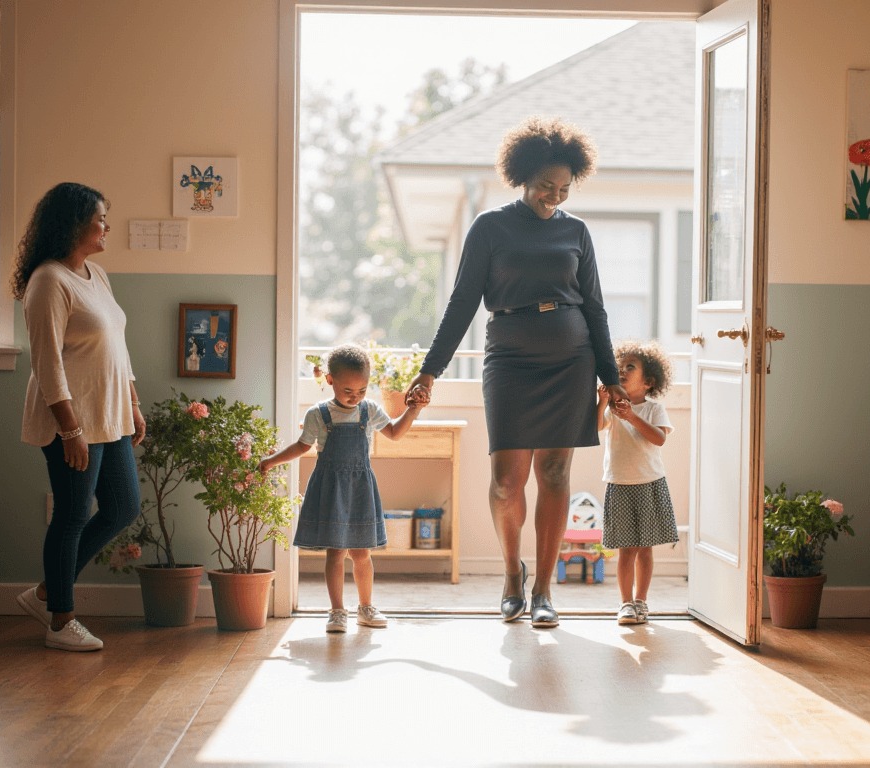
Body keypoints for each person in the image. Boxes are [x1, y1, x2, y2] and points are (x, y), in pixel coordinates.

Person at [407, 116, 629, 628]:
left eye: (564, 189)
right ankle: (513, 574)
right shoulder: (490, 227)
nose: (555, 197)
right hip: (508, 359)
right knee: (508, 482)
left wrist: (611, 377)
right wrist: (430, 371)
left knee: (554, 474)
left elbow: (594, 308)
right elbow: (463, 302)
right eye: (546, 186)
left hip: (571, 360)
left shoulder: (577, 232)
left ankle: (546, 591)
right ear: (521, 177)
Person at [13, 183, 144, 652]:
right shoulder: (48, 280)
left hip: (110, 415)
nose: (106, 226)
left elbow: (117, 345)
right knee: (71, 516)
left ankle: (49, 591)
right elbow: (46, 364)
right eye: (100, 219)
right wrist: (69, 430)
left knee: (123, 507)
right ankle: (60, 620)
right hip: (72, 420)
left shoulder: (96, 274)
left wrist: (132, 400)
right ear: (74, 224)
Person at [258, 344, 427, 632]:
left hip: (360, 488)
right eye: (348, 391)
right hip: (331, 489)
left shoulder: (369, 410)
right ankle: (337, 611)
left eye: (362, 391)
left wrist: (414, 409)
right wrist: (271, 462)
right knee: (335, 553)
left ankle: (366, 607)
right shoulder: (318, 414)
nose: (355, 397)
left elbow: (396, 433)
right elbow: (302, 446)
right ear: (330, 381)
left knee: (362, 553)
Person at [597, 340, 677, 626]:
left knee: (645, 549)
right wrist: (603, 402)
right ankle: (625, 604)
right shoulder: (613, 409)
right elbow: (596, 427)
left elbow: (659, 438)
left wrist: (631, 416)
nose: (622, 370)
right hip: (619, 483)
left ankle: (641, 601)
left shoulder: (653, 409)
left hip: (649, 483)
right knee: (626, 550)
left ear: (648, 381)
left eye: (630, 367)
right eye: (620, 366)